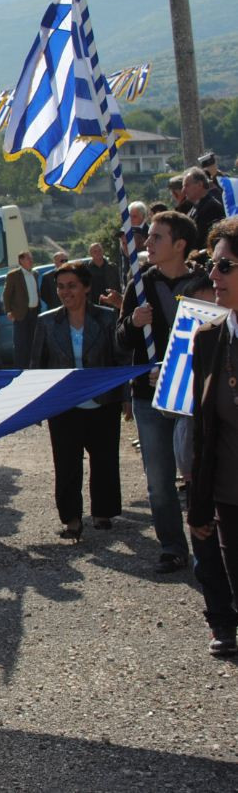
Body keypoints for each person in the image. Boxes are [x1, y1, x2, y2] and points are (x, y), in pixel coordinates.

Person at [118, 211, 206, 574]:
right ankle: (172, 546)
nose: (147, 243)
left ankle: (207, 549)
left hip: (193, 396)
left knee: (199, 474)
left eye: (156, 237)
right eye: (147, 237)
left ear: (180, 245)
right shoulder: (139, 283)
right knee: (159, 479)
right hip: (148, 396)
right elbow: (119, 338)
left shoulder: (204, 283)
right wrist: (133, 323)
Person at [28, 262, 125, 541]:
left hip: (103, 403)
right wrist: (37, 404)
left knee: (105, 459)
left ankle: (102, 513)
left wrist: (126, 398)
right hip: (64, 405)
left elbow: (120, 359)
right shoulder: (46, 322)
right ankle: (71, 519)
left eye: (71, 285)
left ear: (86, 287)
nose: (65, 292)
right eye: (60, 286)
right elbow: (37, 365)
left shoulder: (107, 319)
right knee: (66, 463)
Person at [178, 273, 236, 657]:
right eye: (214, 264)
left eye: (226, 264)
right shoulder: (210, 335)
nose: (214, 275)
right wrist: (199, 502)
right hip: (230, 492)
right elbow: (203, 425)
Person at [3, 251, 41, 369]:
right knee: (21, 344)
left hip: (34, 313)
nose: (31, 261)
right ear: (21, 261)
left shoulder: (35, 273)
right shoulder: (13, 275)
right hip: (20, 314)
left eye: (31, 258)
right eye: (28, 259)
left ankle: (33, 366)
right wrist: (8, 311)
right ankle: (21, 368)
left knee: (33, 342)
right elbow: (6, 294)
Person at [183, 166, 225, 250]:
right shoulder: (193, 208)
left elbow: (205, 239)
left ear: (200, 185)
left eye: (187, 185)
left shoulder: (212, 207)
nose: (183, 190)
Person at [86, 242, 121, 306]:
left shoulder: (112, 267)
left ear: (103, 251)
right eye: (95, 251)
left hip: (112, 304)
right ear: (91, 254)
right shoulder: (86, 270)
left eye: (100, 250)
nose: (98, 253)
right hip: (94, 305)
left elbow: (119, 285)